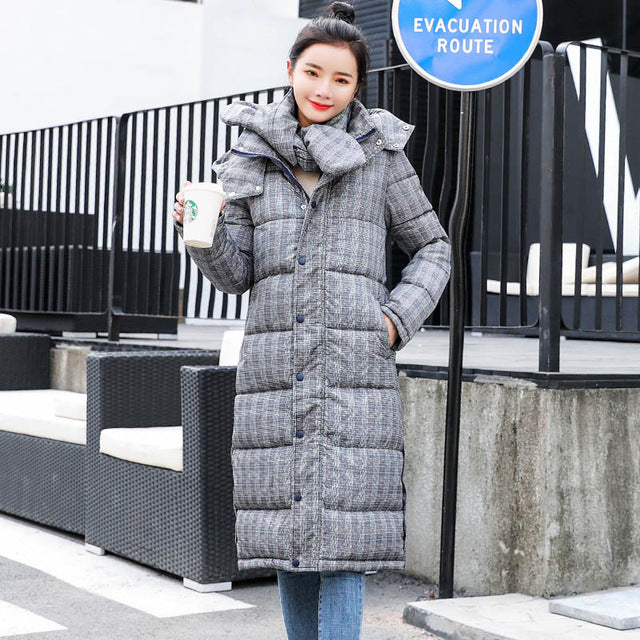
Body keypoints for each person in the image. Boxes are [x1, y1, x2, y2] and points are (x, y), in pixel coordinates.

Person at [173, 3, 451, 638]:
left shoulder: (380, 153)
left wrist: (394, 321)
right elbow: (237, 275)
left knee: (345, 549)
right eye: (313, 73)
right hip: (276, 372)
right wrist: (201, 237)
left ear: (357, 87)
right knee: (289, 543)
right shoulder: (249, 156)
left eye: (341, 79)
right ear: (290, 70)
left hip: (355, 373)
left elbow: (433, 248)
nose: (324, 89)